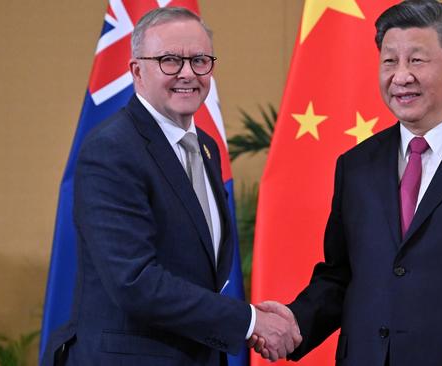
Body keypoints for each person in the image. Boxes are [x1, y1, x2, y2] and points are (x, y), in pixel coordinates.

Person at [250, 0, 442, 365]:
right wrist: (297, 321)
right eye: (389, 61)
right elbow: (343, 276)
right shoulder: (355, 166)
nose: (400, 76)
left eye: (416, 60)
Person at [42, 7, 300, 366]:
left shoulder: (206, 148)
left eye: (200, 60)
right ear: (137, 71)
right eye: (169, 60)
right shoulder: (111, 149)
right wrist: (251, 321)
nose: (188, 73)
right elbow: (135, 281)